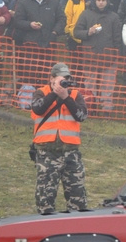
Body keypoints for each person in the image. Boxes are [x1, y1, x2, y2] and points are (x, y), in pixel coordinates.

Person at [31, 63, 88, 214]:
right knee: (45, 199)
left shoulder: (75, 95)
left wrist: (66, 97)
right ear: (52, 79)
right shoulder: (40, 93)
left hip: (71, 153)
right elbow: (38, 108)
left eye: (67, 79)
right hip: (47, 153)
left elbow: (81, 116)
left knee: (78, 199)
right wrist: (54, 94)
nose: (65, 82)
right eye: (62, 78)